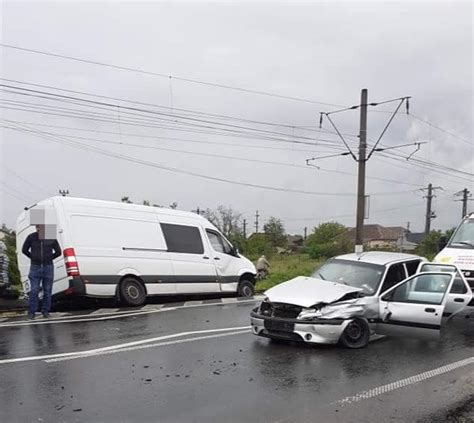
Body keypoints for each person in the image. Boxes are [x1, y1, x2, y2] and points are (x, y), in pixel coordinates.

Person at [22, 225, 61, 319]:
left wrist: (49, 258)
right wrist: (34, 258)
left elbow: (58, 252)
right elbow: (24, 250)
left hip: (48, 267)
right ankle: (32, 313)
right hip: (35, 267)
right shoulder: (31, 237)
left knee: (47, 291)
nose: (40, 229)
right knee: (34, 290)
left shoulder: (51, 237)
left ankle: (45, 311)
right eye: (38, 227)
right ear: (36, 228)